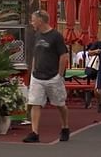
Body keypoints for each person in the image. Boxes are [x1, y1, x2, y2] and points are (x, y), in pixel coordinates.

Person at [23, 10, 70, 143]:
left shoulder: (56, 36)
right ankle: (34, 132)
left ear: (41, 20)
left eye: (33, 19)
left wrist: (59, 74)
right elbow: (35, 54)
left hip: (53, 76)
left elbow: (63, 56)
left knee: (59, 104)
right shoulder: (37, 35)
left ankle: (65, 127)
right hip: (37, 76)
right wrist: (33, 70)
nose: (32, 22)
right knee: (35, 103)